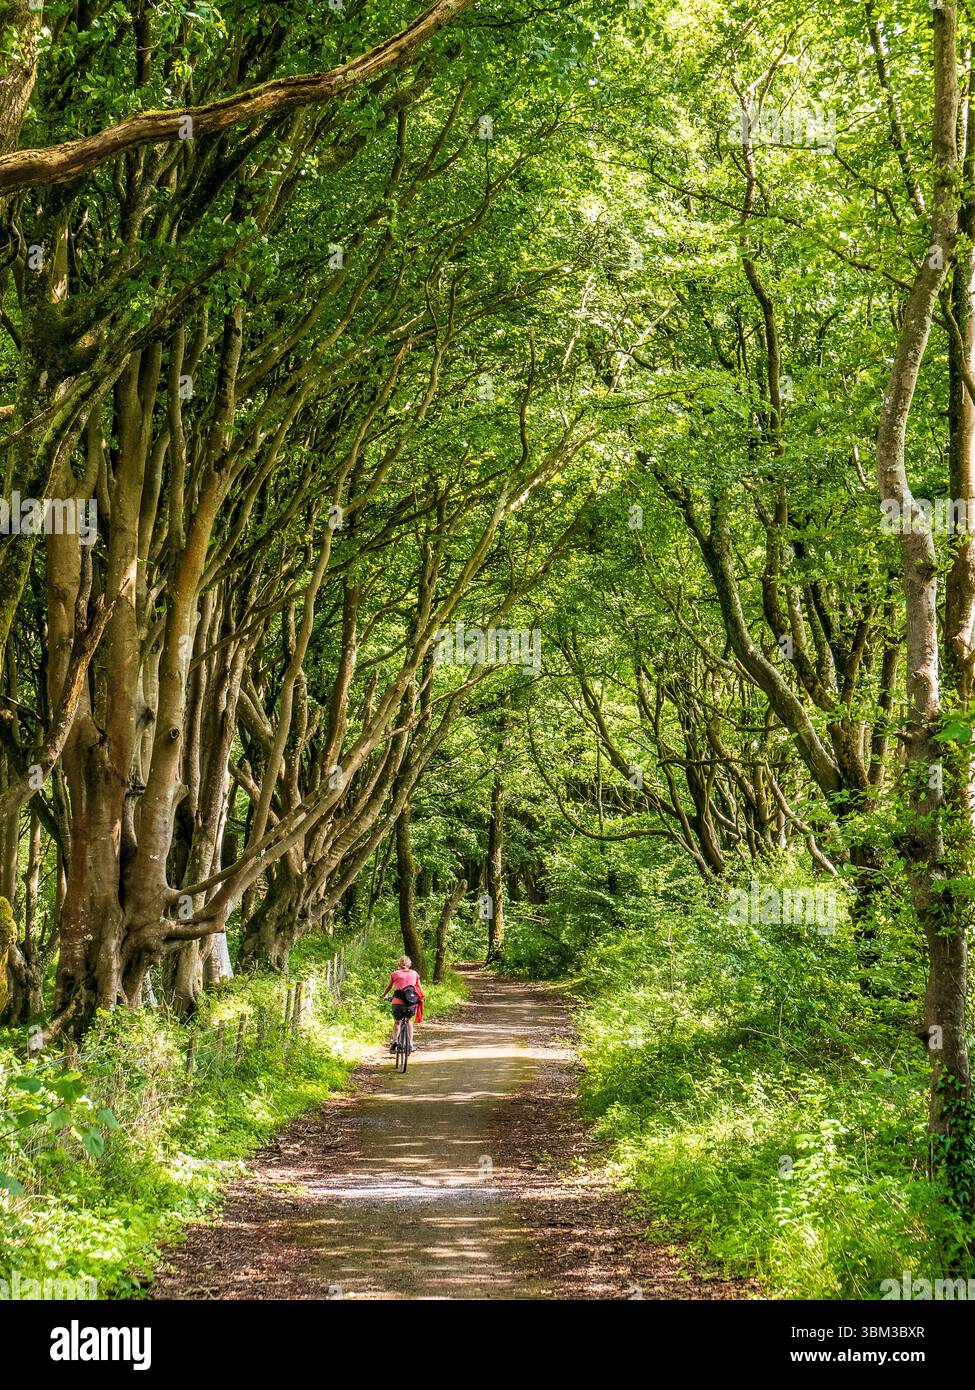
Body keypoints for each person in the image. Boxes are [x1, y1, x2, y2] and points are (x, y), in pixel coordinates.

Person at [382, 954, 424, 1052]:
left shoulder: (395, 974)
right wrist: (421, 998)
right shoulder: (415, 974)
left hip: (397, 1003)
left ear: (399, 964)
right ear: (409, 964)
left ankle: (395, 1040)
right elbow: (419, 989)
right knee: (409, 1021)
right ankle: (410, 1043)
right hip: (411, 1003)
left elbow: (389, 987)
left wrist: (384, 995)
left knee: (397, 1022)